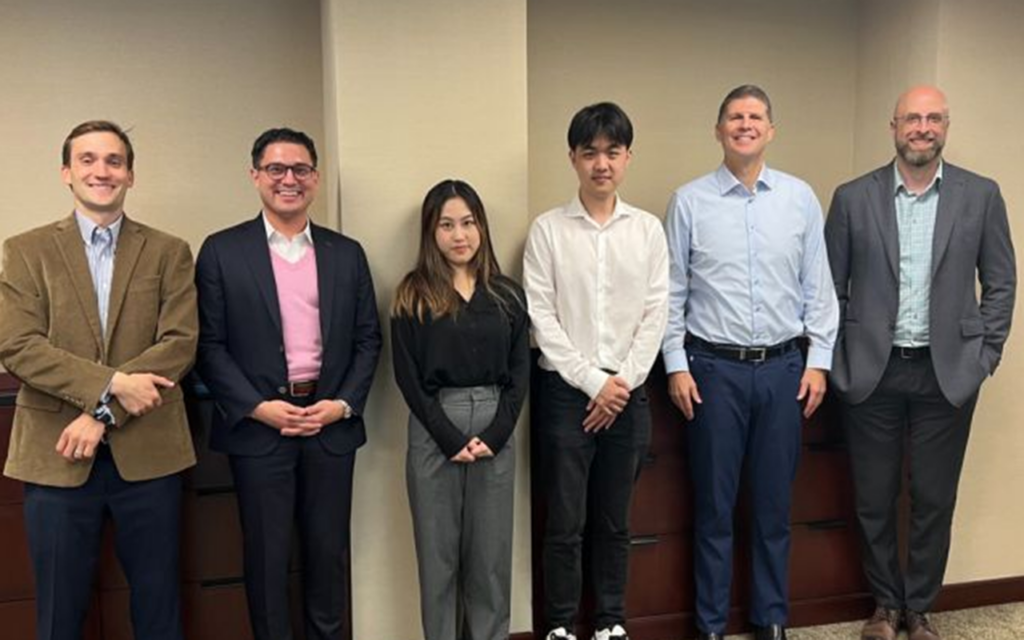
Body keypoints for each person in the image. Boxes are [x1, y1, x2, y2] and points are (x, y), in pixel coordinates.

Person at [825, 85, 1016, 640]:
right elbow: (829, 288)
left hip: (947, 372)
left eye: (933, 118)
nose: (923, 127)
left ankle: (920, 607)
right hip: (872, 372)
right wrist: (840, 362)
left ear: (946, 127)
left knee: (934, 497)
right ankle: (886, 606)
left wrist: (985, 354)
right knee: (874, 495)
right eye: (913, 118)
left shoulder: (980, 196)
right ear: (894, 126)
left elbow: (1001, 281)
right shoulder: (853, 198)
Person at [0, 120, 198, 640]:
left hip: (150, 455)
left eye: (114, 160)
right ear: (67, 172)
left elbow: (178, 344)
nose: (101, 170)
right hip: (55, 454)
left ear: (130, 175)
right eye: (87, 159)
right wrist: (111, 383)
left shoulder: (169, 251)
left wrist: (101, 412)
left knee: (159, 612)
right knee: (58, 617)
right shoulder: (25, 251)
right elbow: (19, 345)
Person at [661, 85, 839, 640]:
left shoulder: (800, 198)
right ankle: (711, 624)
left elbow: (820, 287)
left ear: (771, 129)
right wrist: (674, 364)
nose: (745, 124)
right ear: (718, 131)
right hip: (713, 371)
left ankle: (771, 619)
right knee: (713, 507)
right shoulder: (689, 201)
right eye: (734, 117)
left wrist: (819, 362)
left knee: (772, 505)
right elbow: (671, 291)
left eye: (755, 116)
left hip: (785, 371)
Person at [195, 127, 382, 640]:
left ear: (315, 179)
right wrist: (257, 407)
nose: (288, 179)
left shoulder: (346, 254)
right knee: (266, 558)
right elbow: (208, 346)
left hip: (329, 427)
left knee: (328, 554)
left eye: (300, 169)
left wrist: (342, 404)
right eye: (276, 169)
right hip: (259, 431)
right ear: (255, 176)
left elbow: (369, 340)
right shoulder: (221, 251)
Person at [524, 102, 669, 640]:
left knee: (614, 521)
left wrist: (621, 384)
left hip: (628, 392)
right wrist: (593, 383)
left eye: (612, 152)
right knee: (564, 521)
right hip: (565, 393)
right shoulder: (548, 231)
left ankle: (610, 622)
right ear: (573, 159)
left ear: (628, 157)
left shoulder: (648, 231)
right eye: (590, 153)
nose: (601, 163)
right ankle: (560, 625)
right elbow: (542, 318)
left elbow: (657, 315)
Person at [391, 179, 529, 640]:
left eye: (468, 223)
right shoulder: (411, 294)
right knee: (438, 560)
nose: (459, 235)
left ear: (481, 227)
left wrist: (495, 436)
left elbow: (519, 371)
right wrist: (450, 438)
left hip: (495, 424)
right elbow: (408, 378)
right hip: (434, 429)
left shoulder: (506, 295)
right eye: (446, 225)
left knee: (490, 561)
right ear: (431, 233)